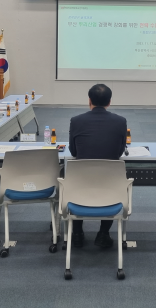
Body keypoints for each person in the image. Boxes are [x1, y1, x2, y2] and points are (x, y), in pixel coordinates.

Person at [68, 84, 127, 248]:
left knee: (73, 182)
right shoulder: (120, 121)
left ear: (89, 101)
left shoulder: (76, 121)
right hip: (110, 186)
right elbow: (119, 152)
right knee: (110, 182)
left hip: (80, 185)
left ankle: (77, 234)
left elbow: (73, 151)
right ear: (109, 102)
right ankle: (103, 234)